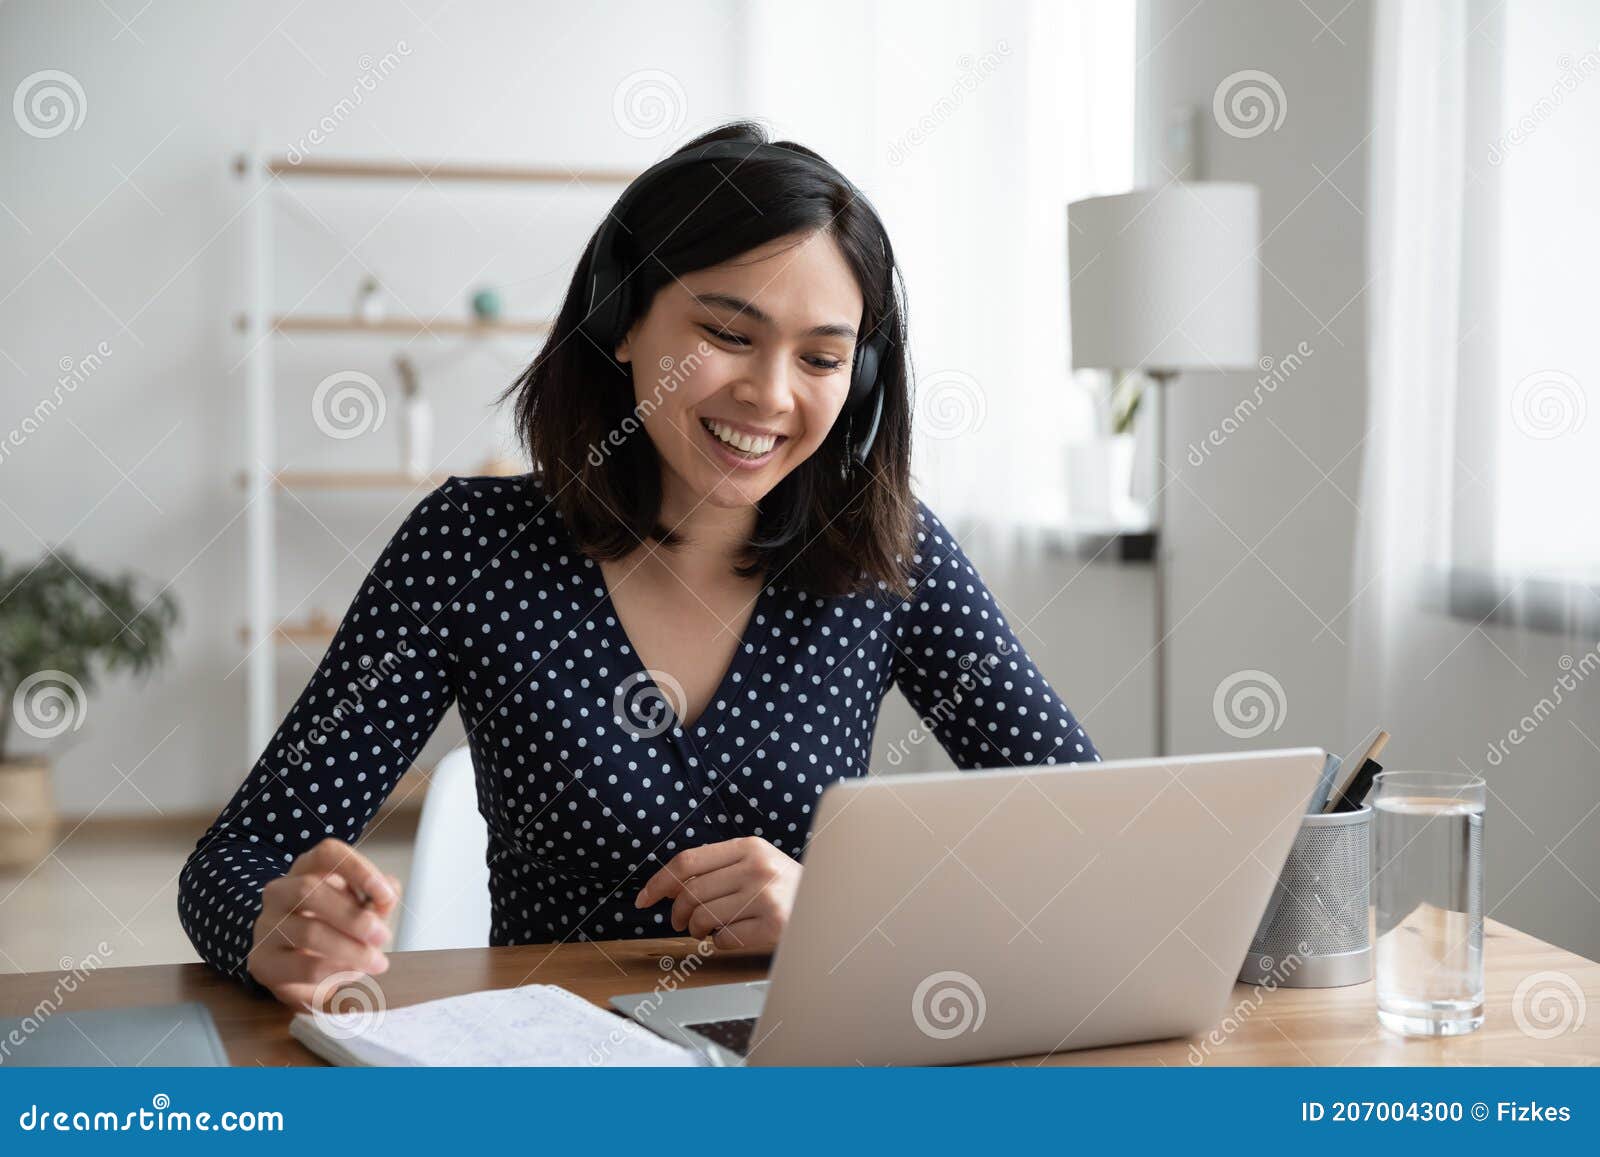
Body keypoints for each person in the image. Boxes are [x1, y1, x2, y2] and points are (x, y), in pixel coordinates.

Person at [177, 120, 1100, 1009]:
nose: (770, 395)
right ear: (621, 322)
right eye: (730, 335)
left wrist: (840, 914)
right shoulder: (470, 547)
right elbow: (233, 859)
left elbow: (1091, 838)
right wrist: (272, 924)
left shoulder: (886, 552)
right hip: (550, 1079)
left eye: (820, 357)